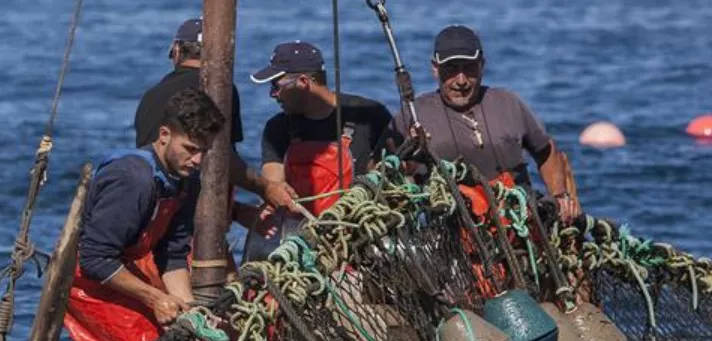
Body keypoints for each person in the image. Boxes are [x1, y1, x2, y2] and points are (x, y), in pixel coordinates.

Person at [65, 87, 225, 341]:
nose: (198, 160)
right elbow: (94, 258)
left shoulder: (187, 180)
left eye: (205, 151)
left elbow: (172, 252)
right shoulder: (132, 180)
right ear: (164, 135)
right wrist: (155, 299)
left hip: (133, 270)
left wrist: (188, 309)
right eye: (191, 149)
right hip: (92, 285)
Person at [134, 18, 297, 252]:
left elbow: (166, 168)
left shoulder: (151, 96)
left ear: (177, 50)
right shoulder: (220, 90)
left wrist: (236, 211)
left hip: (152, 217)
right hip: (190, 231)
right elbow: (221, 160)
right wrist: (266, 188)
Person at [392, 24, 579, 222]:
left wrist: (560, 197)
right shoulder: (414, 114)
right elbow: (382, 170)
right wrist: (410, 157)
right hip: (451, 232)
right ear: (435, 69)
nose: (461, 80)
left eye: (469, 68)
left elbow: (546, 151)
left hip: (519, 224)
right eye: (451, 69)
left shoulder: (509, 103)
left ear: (482, 65)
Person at [247, 40, 398, 257]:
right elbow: (273, 181)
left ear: (303, 82)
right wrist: (274, 192)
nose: (273, 95)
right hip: (301, 242)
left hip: (363, 236)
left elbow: (394, 175)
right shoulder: (277, 128)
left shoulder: (370, 115)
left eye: (276, 86)